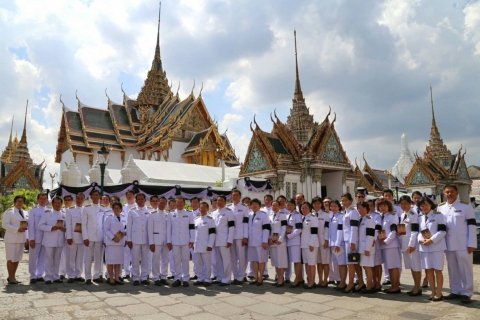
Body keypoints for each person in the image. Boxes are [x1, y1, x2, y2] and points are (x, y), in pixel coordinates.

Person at [439, 184, 477, 304]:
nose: (449, 194)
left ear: (457, 192)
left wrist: (472, 243)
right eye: (447, 192)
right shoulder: (441, 208)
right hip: (448, 244)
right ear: (444, 194)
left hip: (463, 243)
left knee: (465, 269)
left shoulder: (465, 206)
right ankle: (455, 290)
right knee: (452, 269)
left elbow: (471, 225)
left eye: (451, 192)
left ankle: (467, 292)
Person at [418, 196, 447, 302]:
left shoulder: (439, 216)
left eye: (426, 204)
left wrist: (431, 240)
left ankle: (439, 293)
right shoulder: (420, 217)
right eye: (422, 205)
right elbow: (418, 232)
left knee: (438, 270)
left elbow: (442, 231)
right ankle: (433, 292)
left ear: (430, 204)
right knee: (429, 270)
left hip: (436, 247)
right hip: (425, 247)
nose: (424, 207)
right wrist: (420, 240)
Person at [167, 196, 195, 287]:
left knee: (186, 260)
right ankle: (177, 278)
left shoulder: (189, 214)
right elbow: (169, 229)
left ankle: (186, 278)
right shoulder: (171, 214)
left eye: (181, 202)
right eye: (177, 202)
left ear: (184, 203)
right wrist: (169, 241)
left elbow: (192, 228)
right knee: (176, 260)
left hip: (185, 240)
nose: (179, 204)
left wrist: (192, 240)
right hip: (175, 241)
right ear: (175, 203)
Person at [38, 196, 66, 284]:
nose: (57, 204)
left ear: (62, 204)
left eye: (59, 203)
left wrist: (65, 229)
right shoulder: (47, 213)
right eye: (56, 203)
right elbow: (40, 225)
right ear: (52, 204)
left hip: (60, 239)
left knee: (57, 258)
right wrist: (51, 228)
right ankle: (48, 277)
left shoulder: (64, 214)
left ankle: (56, 276)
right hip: (49, 239)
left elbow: (67, 226)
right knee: (49, 258)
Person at [398, 195, 422, 296]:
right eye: (401, 204)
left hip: (412, 245)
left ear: (410, 204)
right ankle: (415, 286)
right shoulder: (403, 214)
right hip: (405, 244)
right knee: (412, 266)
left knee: (416, 266)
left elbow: (414, 231)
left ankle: (418, 287)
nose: (403, 205)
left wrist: (411, 245)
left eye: (405, 203)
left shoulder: (413, 214)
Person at [2, 195, 28, 284]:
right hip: (11, 239)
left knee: (17, 258)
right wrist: (17, 229)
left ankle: (13, 276)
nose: (20, 203)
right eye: (18, 201)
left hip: (21, 239)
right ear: (14, 202)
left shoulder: (25, 212)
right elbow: (4, 224)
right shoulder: (9, 212)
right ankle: (11, 277)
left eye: (21, 201)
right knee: (11, 258)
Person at [377, 199, 401, 294]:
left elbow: (394, 231)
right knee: (389, 267)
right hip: (385, 245)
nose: (382, 208)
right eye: (380, 206)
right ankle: (393, 285)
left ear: (389, 206)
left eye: (384, 206)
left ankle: (395, 287)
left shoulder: (392, 216)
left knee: (393, 266)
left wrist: (386, 241)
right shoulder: (382, 216)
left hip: (391, 245)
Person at [82, 190, 106, 284]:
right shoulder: (87, 208)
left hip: (99, 236)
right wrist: (85, 237)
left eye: (97, 195)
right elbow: (84, 224)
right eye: (94, 195)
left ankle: (96, 275)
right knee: (88, 257)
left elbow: (104, 224)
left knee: (98, 258)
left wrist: (104, 238)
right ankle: (88, 276)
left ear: (99, 197)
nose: (95, 196)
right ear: (91, 197)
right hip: (89, 236)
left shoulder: (103, 208)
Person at [341, 193, 363, 293]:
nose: (344, 202)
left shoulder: (353, 212)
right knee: (354, 263)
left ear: (350, 201)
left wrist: (352, 241)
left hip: (351, 241)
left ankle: (350, 283)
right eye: (342, 200)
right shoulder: (346, 211)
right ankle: (361, 282)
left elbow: (354, 228)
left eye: (345, 200)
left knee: (351, 263)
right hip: (347, 240)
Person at [126, 193, 150, 285]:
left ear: (145, 200)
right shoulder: (132, 211)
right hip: (135, 239)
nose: (140, 201)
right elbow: (129, 226)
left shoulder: (149, 211)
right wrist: (129, 239)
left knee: (145, 259)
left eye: (142, 199)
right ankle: (135, 277)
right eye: (138, 199)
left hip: (146, 239)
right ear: (136, 201)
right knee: (135, 259)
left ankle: (144, 277)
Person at [211, 195, 235, 286]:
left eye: (221, 200)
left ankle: (226, 279)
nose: (219, 202)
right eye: (218, 201)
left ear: (225, 202)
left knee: (226, 260)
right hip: (216, 240)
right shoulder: (214, 213)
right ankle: (220, 277)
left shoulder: (229, 212)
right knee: (218, 261)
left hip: (225, 240)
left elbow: (232, 227)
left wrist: (230, 239)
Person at [192, 202, 216, 286]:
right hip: (197, 245)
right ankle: (200, 278)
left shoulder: (210, 220)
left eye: (204, 208)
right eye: (200, 208)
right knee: (198, 263)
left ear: (207, 209)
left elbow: (212, 233)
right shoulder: (196, 220)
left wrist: (210, 245)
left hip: (206, 245)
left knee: (207, 263)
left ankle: (207, 279)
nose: (202, 209)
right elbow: (194, 233)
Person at [228, 189, 249, 285]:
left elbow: (246, 223)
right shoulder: (228, 208)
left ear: (240, 197)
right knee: (232, 257)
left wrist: (245, 236)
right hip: (231, 236)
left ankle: (241, 276)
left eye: (237, 195)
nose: (235, 197)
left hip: (240, 235)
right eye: (233, 195)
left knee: (241, 257)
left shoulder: (244, 208)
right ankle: (235, 276)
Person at [247, 198, 270, 286]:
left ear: (259, 206)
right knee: (254, 260)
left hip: (260, 241)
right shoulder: (249, 215)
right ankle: (255, 277)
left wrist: (265, 241)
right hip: (252, 242)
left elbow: (266, 229)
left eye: (256, 204)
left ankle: (261, 278)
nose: (254, 206)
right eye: (252, 204)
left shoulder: (264, 215)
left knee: (261, 260)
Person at [148, 196, 170, 286]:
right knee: (155, 260)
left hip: (166, 241)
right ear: (158, 203)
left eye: (164, 203)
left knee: (165, 259)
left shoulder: (168, 214)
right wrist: (151, 242)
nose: (162, 204)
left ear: (166, 204)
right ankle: (156, 277)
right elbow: (150, 229)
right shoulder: (152, 214)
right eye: (161, 202)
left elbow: (169, 228)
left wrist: (169, 241)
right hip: (156, 240)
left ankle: (164, 276)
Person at [28, 192, 49, 284]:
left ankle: (39, 274)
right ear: (38, 199)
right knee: (33, 257)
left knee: (42, 257)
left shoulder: (49, 211)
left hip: (46, 238)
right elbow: (31, 226)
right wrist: (31, 239)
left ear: (47, 200)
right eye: (41, 198)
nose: (43, 200)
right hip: (36, 237)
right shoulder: (33, 211)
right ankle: (32, 275)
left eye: (45, 199)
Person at [65, 192, 86, 283]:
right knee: (71, 256)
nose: (80, 200)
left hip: (83, 237)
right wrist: (68, 236)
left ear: (84, 200)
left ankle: (78, 274)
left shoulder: (86, 210)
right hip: (73, 236)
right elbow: (68, 224)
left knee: (80, 257)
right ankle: (71, 275)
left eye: (81, 198)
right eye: (78, 198)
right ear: (75, 199)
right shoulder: (70, 210)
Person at [104, 202, 126, 285]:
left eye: (118, 208)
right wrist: (113, 237)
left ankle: (117, 277)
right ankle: (111, 278)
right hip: (111, 242)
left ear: (121, 209)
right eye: (115, 208)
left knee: (118, 261)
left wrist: (124, 233)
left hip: (120, 243)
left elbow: (126, 228)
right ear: (112, 209)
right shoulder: (109, 217)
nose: (117, 209)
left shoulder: (124, 217)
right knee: (110, 261)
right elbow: (106, 229)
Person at [328, 199, 347, 290]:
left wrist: (337, 243)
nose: (333, 208)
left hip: (338, 244)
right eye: (331, 206)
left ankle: (342, 281)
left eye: (335, 206)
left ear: (339, 207)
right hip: (332, 243)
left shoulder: (340, 216)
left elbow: (340, 231)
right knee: (335, 263)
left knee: (341, 263)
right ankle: (338, 280)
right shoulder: (331, 216)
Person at [357, 201, 376, 293]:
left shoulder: (369, 220)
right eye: (359, 208)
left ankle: (369, 286)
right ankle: (369, 284)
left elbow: (370, 235)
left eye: (363, 208)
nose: (360, 210)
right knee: (365, 266)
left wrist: (368, 249)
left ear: (367, 210)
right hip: (362, 247)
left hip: (366, 248)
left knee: (368, 267)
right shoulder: (361, 219)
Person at [299, 201, 318, 289]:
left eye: (306, 207)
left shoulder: (313, 217)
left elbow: (314, 232)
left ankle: (312, 282)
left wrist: (311, 244)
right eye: (302, 208)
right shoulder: (303, 217)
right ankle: (309, 280)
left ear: (310, 208)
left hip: (311, 244)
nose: (304, 209)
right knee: (307, 264)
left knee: (311, 264)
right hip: (304, 244)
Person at [412, 190, 428, 289]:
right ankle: (417, 282)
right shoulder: (411, 210)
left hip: (424, 237)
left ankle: (426, 278)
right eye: (415, 198)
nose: (416, 199)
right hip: (414, 238)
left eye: (418, 197)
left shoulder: (425, 209)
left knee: (425, 260)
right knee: (416, 262)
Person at [286, 198, 304, 288]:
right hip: (290, 242)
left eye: (290, 204)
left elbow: (299, 229)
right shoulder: (288, 215)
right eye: (287, 205)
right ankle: (300, 278)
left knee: (297, 261)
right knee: (294, 261)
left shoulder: (297, 215)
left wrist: (290, 236)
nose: (289, 206)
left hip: (295, 241)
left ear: (294, 205)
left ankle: (297, 279)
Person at [269, 200, 288, 287]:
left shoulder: (282, 215)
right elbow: (269, 229)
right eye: (273, 205)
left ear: (279, 206)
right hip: (273, 241)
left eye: (276, 205)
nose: (274, 207)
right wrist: (269, 239)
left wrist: (280, 239)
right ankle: (278, 279)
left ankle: (281, 279)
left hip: (280, 242)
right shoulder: (270, 216)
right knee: (275, 261)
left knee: (281, 260)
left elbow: (284, 228)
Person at [312, 197, 330, 288]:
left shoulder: (326, 215)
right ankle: (320, 280)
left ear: (321, 204)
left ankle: (326, 280)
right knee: (319, 262)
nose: (316, 205)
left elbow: (327, 228)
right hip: (314, 242)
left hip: (323, 241)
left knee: (325, 262)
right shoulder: (311, 215)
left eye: (318, 203)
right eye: (315, 203)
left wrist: (326, 240)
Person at [368, 198, 383, 291]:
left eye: (371, 205)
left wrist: (373, 238)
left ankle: (378, 283)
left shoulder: (377, 216)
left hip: (375, 242)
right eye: (368, 205)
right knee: (370, 264)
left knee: (377, 263)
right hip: (367, 243)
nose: (370, 207)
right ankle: (372, 281)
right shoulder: (363, 216)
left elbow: (377, 228)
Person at [122, 189, 137, 279]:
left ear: (134, 196)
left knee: (134, 254)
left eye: (131, 195)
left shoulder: (136, 207)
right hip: (125, 233)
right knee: (126, 254)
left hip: (134, 233)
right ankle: (126, 272)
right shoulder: (123, 207)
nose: (129, 196)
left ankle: (133, 271)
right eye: (128, 195)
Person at [59, 195, 73, 280]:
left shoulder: (73, 211)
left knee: (71, 255)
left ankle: (71, 272)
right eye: (66, 200)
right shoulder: (61, 212)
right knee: (62, 255)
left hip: (71, 236)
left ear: (71, 201)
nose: (67, 201)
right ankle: (62, 272)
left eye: (69, 200)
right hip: (62, 235)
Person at [189, 197, 201, 281]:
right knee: (193, 258)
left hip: (199, 239)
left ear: (199, 203)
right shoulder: (189, 213)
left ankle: (201, 274)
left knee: (199, 258)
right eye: (193, 202)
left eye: (196, 202)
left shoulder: (202, 213)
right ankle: (196, 273)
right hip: (190, 238)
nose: (194, 204)